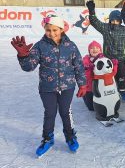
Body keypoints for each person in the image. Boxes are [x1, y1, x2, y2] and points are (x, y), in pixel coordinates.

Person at [11, 15, 86, 157]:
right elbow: (29, 67)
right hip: (47, 87)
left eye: (55, 30)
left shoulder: (70, 46)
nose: (51, 33)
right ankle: (47, 139)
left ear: (61, 29)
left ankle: (70, 136)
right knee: (50, 113)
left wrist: (82, 85)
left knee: (65, 112)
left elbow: (79, 66)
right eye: (48, 30)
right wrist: (23, 56)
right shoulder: (40, 46)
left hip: (67, 86)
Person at [86, 0, 125, 97]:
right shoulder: (106, 28)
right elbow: (95, 22)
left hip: (121, 59)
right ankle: (111, 92)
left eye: (117, 21)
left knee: (122, 77)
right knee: (110, 77)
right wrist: (91, 12)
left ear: (120, 21)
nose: (115, 22)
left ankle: (123, 92)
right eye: (113, 20)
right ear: (110, 20)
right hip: (109, 60)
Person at [82, 40, 104, 111]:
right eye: (92, 48)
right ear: (89, 50)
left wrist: (114, 65)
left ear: (100, 50)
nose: (95, 49)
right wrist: (89, 68)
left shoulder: (104, 59)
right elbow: (84, 73)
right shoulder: (85, 59)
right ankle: (85, 96)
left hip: (100, 87)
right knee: (91, 108)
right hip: (89, 87)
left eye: (97, 48)